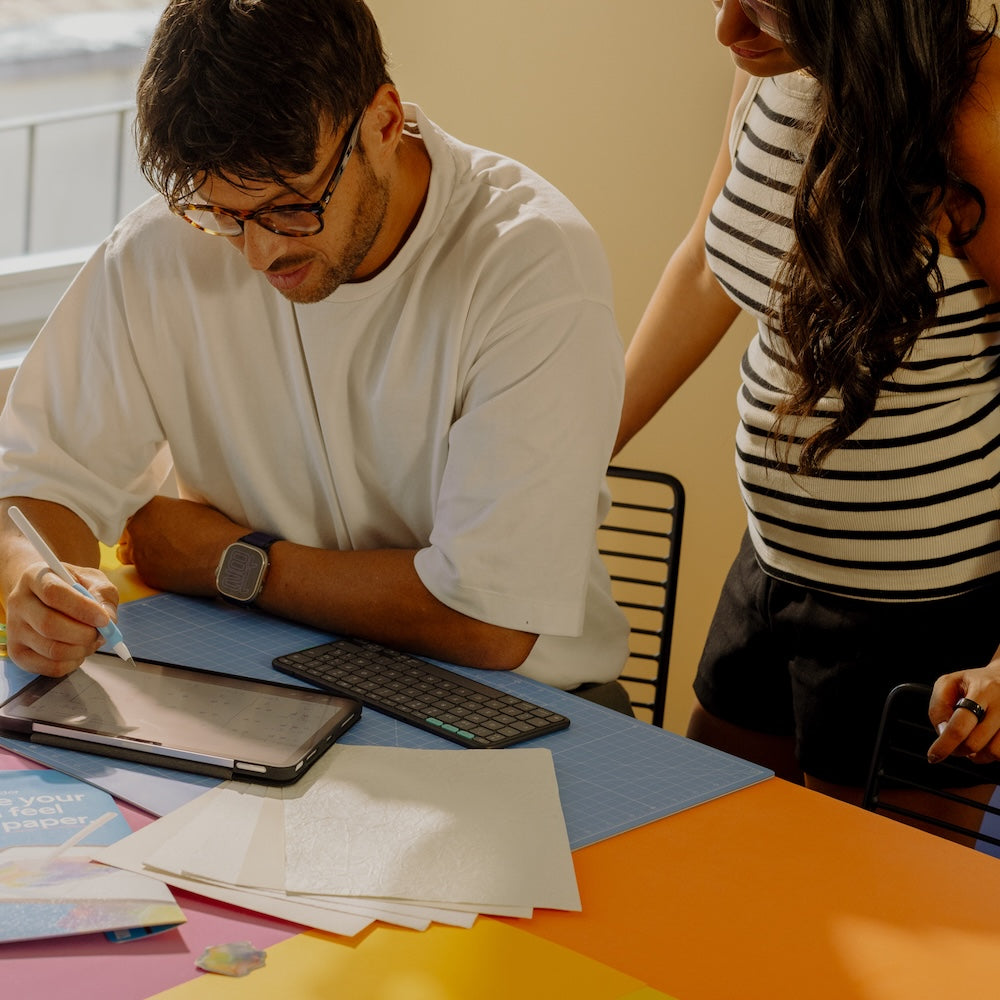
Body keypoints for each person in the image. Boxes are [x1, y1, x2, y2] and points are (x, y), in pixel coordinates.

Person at [0, 0, 631, 709]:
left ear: (383, 124)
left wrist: (228, 561)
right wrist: (36, 581)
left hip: (520, 703)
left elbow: (489, 620)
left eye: (291, 206)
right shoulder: (163, 248)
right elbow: (37, 479)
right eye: (224, 214)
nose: (258, 253)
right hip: (267, 666)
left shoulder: (531, 265)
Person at [615, 0, 1000, 810]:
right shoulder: (775, 66)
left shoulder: (975, 115)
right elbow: (706, 265)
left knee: (854, 888)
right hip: (768, 566)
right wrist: (579, 449)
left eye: (762, 10)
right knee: (706, 853)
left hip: (911, 616)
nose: (726, 31)